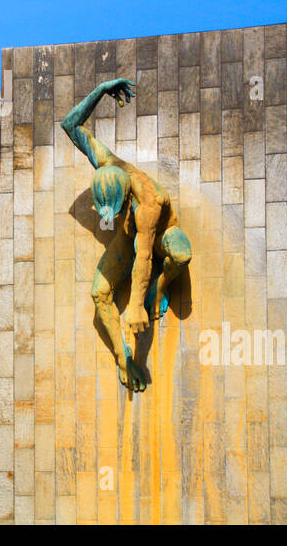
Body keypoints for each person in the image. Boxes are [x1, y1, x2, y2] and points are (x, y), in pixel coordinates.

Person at [61, 77, 192, 392]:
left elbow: (144, 255)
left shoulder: (148, 200)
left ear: (125, 198)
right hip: (130, 236)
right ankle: (123, 359)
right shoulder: (107, 164)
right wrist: (101, 90)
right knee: (99, 292)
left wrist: (137, 304)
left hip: (158, 238)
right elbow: (70, 125)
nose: (112, 216)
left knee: (181, 254)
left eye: (117, 210)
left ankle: (160, 289)